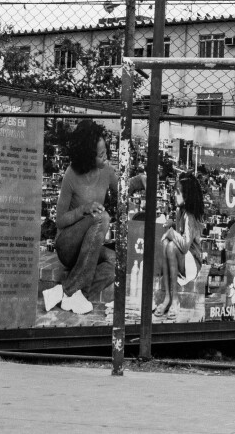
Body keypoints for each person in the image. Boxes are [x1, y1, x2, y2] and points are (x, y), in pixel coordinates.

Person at [42, 120, 144, 314]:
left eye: (106, 151)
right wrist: (84, 209)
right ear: (88, 155)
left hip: (89, 248)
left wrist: (140, 180)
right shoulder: (71, 175)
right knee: (102, 216)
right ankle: (71, 292)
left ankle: (69, 293)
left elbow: (123, 188)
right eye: (101, 154)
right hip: (68, 246)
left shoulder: (106, 171)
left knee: (117, 263)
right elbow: (60, 220)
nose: (106, 156)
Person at [154, 172, 205, 320]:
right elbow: (180, 233)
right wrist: (173, 225)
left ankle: (175, 300)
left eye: (178, 193)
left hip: (193, 264)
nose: (174, 195)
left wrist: (171, 232)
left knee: (171, 246)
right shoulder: (180, 211)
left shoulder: (190, 215)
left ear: (186, 196)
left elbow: (184, 245)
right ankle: (168, 298)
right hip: (184, 260)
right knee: (165, 243)